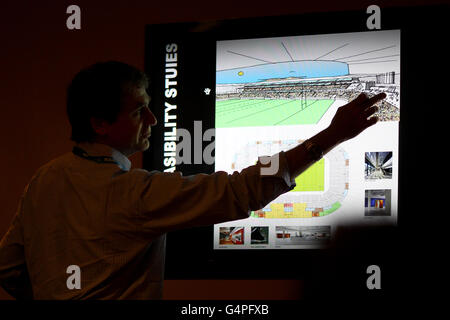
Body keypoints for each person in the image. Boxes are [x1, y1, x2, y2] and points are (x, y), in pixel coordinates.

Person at [0, 61, 385, 300]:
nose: (153, 120)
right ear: (99, 123)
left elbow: (9, 269)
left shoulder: (44, 179)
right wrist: (329, 137)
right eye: (139, 112)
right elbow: (240, 190)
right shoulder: (131, 193)